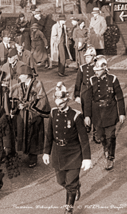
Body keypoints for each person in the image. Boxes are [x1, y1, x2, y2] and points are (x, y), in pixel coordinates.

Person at [43, 82, 92, 214]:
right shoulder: (53, 113)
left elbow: (84, 139)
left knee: (70, 184)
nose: (59, 106)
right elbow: (49, 135)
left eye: (62, 103)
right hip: (59, 153)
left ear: (67, 101)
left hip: (73, 154)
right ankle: (76, 187)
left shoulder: (76, 115)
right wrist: (46, 153)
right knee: (61, 181)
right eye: (57, 102)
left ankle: (68, 208)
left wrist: (87, 158)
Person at [83, 55, 125, 170]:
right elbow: (87, 100)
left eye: (98, 70)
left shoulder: (113, 79)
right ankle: (105, 148)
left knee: (110, 136)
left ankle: (110, 158)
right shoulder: (92, 80)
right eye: (95, 70)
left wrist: (121, 113)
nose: (96, 72)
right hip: (97, 113)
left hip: (110, 111)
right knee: (101, 136)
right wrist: (87, 115)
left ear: (104, 69)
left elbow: (119, 97)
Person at [10, 65, 51, 168]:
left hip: (33, 115)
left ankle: (33, 157)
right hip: (23, 115)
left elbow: (42, 100)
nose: (19, 77)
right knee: (23, 133)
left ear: (27, 76)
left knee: (34, 135)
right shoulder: (20, 85)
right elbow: (14, 98)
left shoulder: (38, 84)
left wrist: (28, 105)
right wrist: (17, 106)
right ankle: (26, 152)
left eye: (21, 75)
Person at [74, 46, 99, 143]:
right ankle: (87, 125)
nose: (86, 59)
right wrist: (77, 95)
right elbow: (78, 82)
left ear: (93, 57)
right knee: (86, 110)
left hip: (95, 93)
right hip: (85, 92)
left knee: (96, 112)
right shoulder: (82, 68)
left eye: (88, 57)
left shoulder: (98, 67)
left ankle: (96, 133)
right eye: (86, 57)